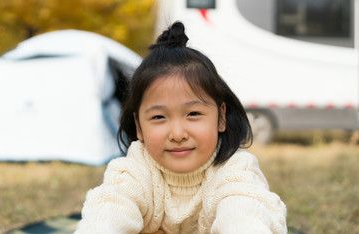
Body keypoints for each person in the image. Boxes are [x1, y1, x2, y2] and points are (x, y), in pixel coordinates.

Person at [75, 21, 287, 234]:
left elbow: (243, 213)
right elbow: (109, 210)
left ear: (221, 117)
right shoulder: (134, 171)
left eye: (193, 114)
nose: (177, 134)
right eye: (159, 117)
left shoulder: (235, 170)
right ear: (139, 126)